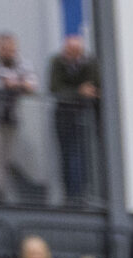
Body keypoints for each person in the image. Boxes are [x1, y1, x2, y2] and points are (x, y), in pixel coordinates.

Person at [0, 32, 36, 202]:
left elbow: (32, 84)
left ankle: (2, 189)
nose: (10, 53)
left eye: (13, 50)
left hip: (10, 117)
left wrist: (14, 83)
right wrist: (19, 83)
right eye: (6, 49)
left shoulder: (22, 62)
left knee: (7, 156)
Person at [47, 34, 100, 204]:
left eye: (76, 51)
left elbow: (95, 88)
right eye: (69, 51)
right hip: (64, 117)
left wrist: (86, 93)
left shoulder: (90, 63)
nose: (72, 54)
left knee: (83, 156)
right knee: (66, 157)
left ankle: (83, 194)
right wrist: (79, 92)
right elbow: (55, 88)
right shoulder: (57, 62)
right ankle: (70, 196)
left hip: (86, 118)